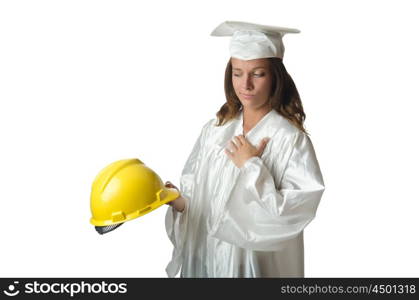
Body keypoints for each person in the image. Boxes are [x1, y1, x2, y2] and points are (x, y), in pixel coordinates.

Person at [164, 20, 325, 278]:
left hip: (252, 269)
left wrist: (252, 167)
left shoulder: (288, 139)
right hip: (207, 262)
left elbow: (295, 212)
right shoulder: (216, 130)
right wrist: (180, 202)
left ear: (275, 77)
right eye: (237, 72)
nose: (245, 85)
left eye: (258, 73)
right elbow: (202, 202)